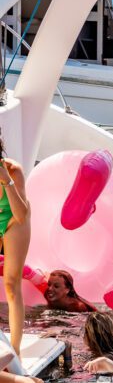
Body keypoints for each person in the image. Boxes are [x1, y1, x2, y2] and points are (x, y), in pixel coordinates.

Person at [0, 138, 30, 355]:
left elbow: (21, 215)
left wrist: (6, 181)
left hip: (13, 219)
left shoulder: (13, 170)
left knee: (11, 285)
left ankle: (15, 349)